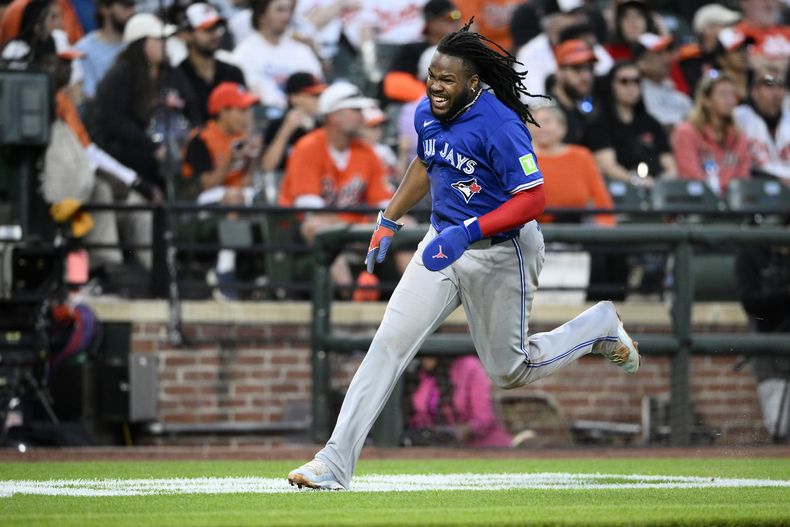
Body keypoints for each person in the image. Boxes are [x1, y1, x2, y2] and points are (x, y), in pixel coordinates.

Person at [287, 22, 640, 491]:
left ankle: (598, 327)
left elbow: (533, 199)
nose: (435, 86)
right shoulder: (427, 111)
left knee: (510, 370)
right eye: (432, 76)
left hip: (502, 251)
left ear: (473, 82)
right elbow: (426, 161)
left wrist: (470, 231)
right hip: (442, 242)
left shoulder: (501, 124)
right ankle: (334, 462)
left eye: (447, 79)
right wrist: (389, 218)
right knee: (388, 344)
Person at [277, 81, 395, 297]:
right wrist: (359, 226)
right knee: (319, 227)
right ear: (334, 115)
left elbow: (385, 205)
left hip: (355, 230)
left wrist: (369, 226)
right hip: (298, 233)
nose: (362, 116)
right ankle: (350, 296)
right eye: (355, 110)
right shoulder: (308, 147)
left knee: (404, 223)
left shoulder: (367, 152)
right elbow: (311, 210)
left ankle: (419, 302)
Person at [181, 82, 260, 299]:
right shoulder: (202, 138)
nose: (246, 116)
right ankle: (224, 270)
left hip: (231, 199)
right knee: (234, 198)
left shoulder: (241, 139)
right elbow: (205, 185)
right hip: (196, 202)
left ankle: (261, 274)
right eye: (240, 110)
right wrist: (229, 160)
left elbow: (247, 185)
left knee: (260, 199)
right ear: (223, 111)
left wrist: (250, 161)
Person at [735, 232, 790, 443]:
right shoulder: (752, 255)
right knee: (780, 425)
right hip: (771, 355)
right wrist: (785, 294)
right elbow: (751, 302)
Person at [585, 61, 675, 187]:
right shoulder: (599, 125)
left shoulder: (651, 123)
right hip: (620, 191)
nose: (631, 87)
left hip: (657, 188)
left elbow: (670, 165)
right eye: (624, 81)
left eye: (636, 81)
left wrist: (661, 184)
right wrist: (640, 182)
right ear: (611, 85)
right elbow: (607, 167)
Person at [528, 104, 614, 226]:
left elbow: (600, 197)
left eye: (546, 121)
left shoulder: (581, 156)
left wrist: (606, 224)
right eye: (534, 122)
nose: (539, 127)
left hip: (578, 226)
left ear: (562, 127)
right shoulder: (523, 158)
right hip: (535, 228)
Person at [231, 0, 322, 112]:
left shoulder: (302, 51)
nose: (286, 16)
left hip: (302, 114)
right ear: (261, 16)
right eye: (280, 10)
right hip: (263, 115)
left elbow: (317, 86)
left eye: (289, 10)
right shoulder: (243, 53)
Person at [403, 354, 512, 447]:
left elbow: (484, 418)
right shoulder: (419, 373)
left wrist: (458, 431)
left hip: (483, 449)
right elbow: (418, 416)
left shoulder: (468, 366)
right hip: (439, 450)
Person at [672, 71, 752, 196]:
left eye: (732, 95)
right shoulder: (687, 132)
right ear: (706, 100)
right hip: (698, 201)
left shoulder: (739, 136)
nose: (730, 100)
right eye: (723, 95)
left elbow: (743, 176)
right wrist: (716, 197)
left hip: (733, 203)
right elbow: (689, 175)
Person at [177, 2, 246, 125]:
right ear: (187, 35)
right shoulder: (176, 75)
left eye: (216, 28)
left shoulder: (233, 72)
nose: (214, 34)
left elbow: (246, 113)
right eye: (207, 29)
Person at [382, 0, 461, 104]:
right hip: (420, 105)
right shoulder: (413, 49)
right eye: (449, 18)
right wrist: (435, 97)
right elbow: (394, 84)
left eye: (457, 18)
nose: (455, 23)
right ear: (431, 21)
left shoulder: (462, 49)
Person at [261, 71, 325, 174]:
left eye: (319, 95)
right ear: (294, 97)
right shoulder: (277, 125)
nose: (318, 99)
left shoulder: (323, 125)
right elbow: (267, 166)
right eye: (313, 95)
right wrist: (286, 130)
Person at [734, 68, 790, 182]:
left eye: (781, 85)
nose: (776, 93)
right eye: (769, 85)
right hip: (754, 186)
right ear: (754, 91)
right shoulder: (739, 117)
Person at [72, 0, 134, 99]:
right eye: (125, 5)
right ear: (105, 9)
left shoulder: (135, 46)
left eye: (133, 5)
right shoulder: (83, 49)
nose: (132, 11)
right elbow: (87, 95)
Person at [635, 33, 692, 132]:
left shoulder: (676, 93)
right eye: (659, 54)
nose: (666, 58)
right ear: (642, 63)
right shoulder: (636, 94)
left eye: (666, 52)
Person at [548, 38, 599, 145]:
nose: (586, 76)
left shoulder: (586, 111)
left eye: (590, 68)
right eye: (577, 68)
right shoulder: (546, 114)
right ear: (559, 72)